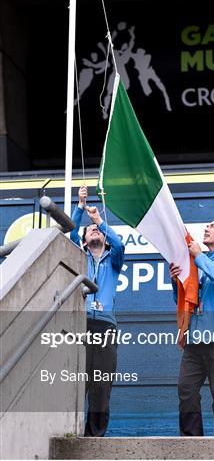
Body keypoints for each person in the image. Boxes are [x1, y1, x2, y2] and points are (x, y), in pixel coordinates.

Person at [169, 218, 214, 437]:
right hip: (195, 341)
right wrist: (176, 283)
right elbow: (183, 301)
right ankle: (192, 444)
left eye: (212, 226)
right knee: (186, 390)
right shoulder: (197, 265)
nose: (206, 228)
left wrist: (198, 256)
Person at [70, 185, 125, 436]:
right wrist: (80, 206)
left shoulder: (113, 259)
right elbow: (69, 234)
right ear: (84, 240)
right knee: (74, 382)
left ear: (103, 237)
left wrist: (98, 220)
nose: (94, 231)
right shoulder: (77, 256)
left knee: (100, 385)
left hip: (104, 326)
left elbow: (119, 243)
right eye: (90, 230)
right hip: (78, 325)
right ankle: (71, 431)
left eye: (98, 231)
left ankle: (95, 438)